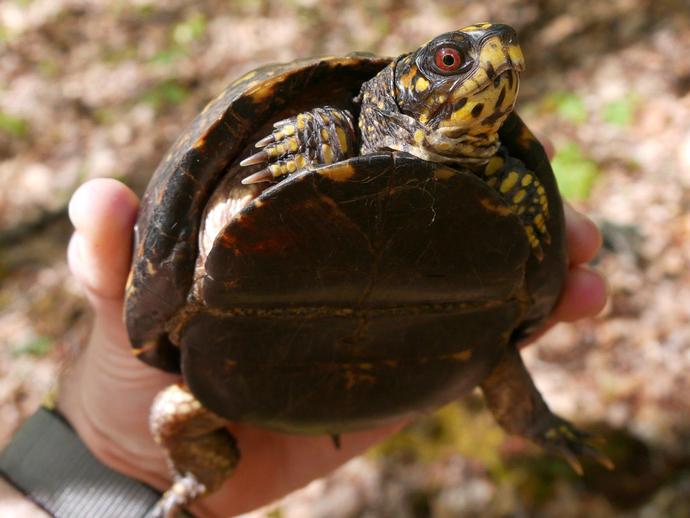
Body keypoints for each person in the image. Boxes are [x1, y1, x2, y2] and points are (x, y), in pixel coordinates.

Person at [0, 168, 606, 517]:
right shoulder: (312, 125)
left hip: (426, 353)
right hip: (278, 377)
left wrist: (96, 475)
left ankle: (535, 424)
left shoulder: (488, 162)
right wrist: (120, 471)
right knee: (172, 411)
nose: (489, 64)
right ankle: (196, 474)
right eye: (451, 62)